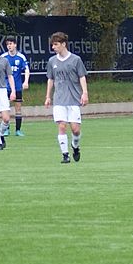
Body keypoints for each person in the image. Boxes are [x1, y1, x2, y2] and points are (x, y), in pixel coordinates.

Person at [45, 31, 89, 164]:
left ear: (63, 44)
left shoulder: (76, 60)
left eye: (56, 44)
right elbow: (50, 79)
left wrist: (85, 93)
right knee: (62, 126)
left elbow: (82, 76)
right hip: (59, 99)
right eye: (52, 45)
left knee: (75, 130)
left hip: (73, 99)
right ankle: (65, 155)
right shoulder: (52, 61)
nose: (53, 47)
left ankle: (75, 146)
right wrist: (48, 96)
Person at [2, 37, 30, 136]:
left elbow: (26, 69)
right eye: (7, 44)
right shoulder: (4, 57)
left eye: (11, 44)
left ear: (15, 45)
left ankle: (18, 130)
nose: (9, 46)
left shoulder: (21, 57)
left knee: (18, 108)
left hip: (17, 87)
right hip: (6, 87)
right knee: (6, 108)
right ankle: (6, 129)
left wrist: (26, 81)